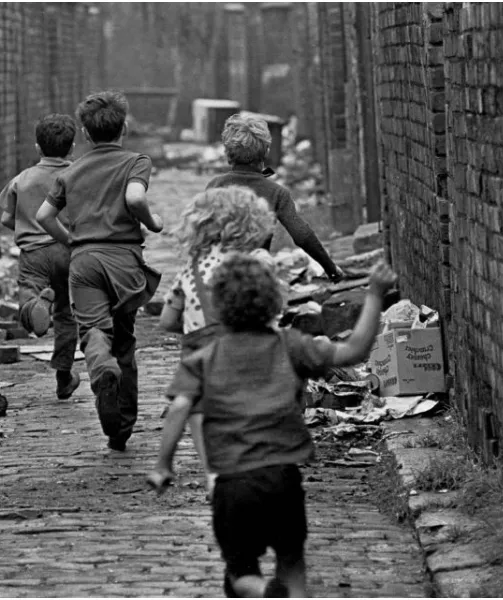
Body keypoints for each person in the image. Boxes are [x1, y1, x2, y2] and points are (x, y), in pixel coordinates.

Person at [147, 254, 398, 598]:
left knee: (239, 572)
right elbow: (353, 351)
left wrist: (163, 465)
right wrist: (374, 294)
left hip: (232, 484)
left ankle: (262, 589)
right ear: (273, 302)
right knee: (292, 561)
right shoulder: (290, 345)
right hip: (282, 479)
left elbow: (179, 408)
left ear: (219, 307)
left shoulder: (204, 357)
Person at [37, 90, 164, 452]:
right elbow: (136, 198)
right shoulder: (136, 162)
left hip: (85, 262)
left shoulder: (71, 170)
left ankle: (99, 361)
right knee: (124, 340)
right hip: (123, 260)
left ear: (85, 134)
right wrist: (153, 224)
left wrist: (72, 239)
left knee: (94, 330)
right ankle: (120, 428)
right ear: (124, 128)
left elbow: (45, 217)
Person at [159, 186, 278, 494]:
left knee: (198, 408)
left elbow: (167, 320)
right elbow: (270, 306)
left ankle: (213, 471)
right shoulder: (252, 262)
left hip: (199, 346)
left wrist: (192, 323)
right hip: (242, 343)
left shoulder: (191, 268)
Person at [0, 114, 82, 401]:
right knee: (67, 316)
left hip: (33, 253)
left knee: (28, 292)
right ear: (71, 149)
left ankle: (35, 306)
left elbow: (7, 218)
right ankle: (64, 377)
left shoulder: (23, 179)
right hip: (69, 251)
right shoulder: (77, 175)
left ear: (37, 147)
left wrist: (26, 226)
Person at [206, 113, 345, 282]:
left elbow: (202, 236)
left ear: (227, 152)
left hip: (219, 275)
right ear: (266, 151)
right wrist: (331, 270)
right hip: (257, 278)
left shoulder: (215, 186)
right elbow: (302, 236)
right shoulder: (276, 192)